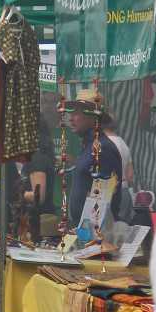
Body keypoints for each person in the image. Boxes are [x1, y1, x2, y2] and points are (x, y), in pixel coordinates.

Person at [66, 91, 123, 226]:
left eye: (77, 113)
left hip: (94, 234)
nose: (71, 118)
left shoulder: (103, 148)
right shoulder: (90, 146)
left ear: (94, 116)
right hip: (84, 231)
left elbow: (103, 200)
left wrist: (88, 235)